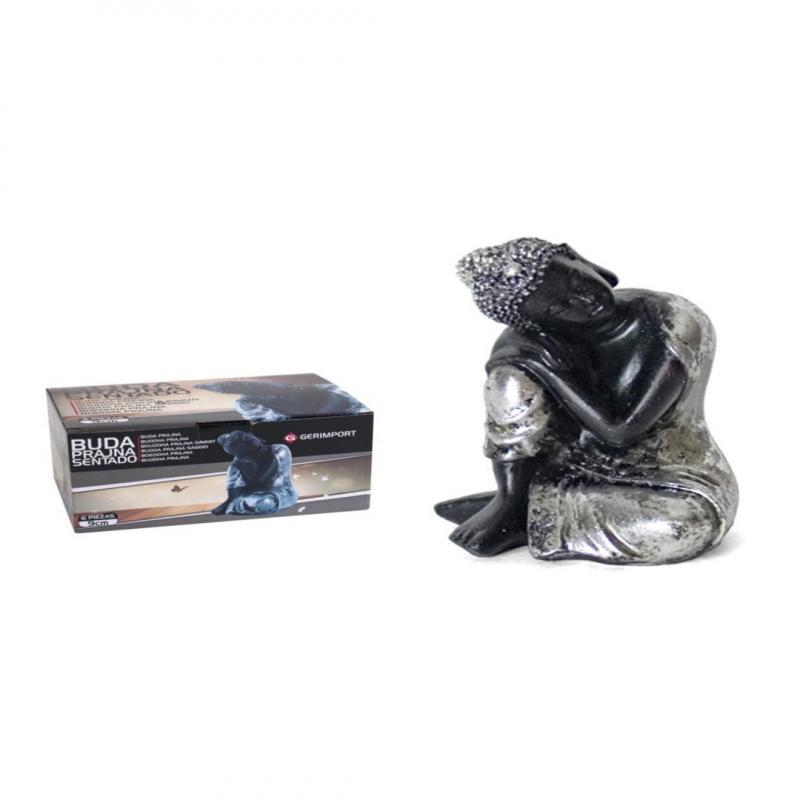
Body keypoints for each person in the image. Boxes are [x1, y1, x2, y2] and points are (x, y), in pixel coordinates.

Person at [435, 237, 738, 565]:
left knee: (688, 525)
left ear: (579, 259)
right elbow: (513, 400)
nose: (585, 301)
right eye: (559, 308)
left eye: (577, 281)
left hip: (670, 478)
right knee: (508, 376)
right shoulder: (534, 341)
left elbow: (621, 432)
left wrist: (554, 373)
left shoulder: (672, 319)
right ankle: (512, 499)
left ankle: (533, 507)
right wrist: (526, 364)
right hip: (571, 461)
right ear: (539, 323)